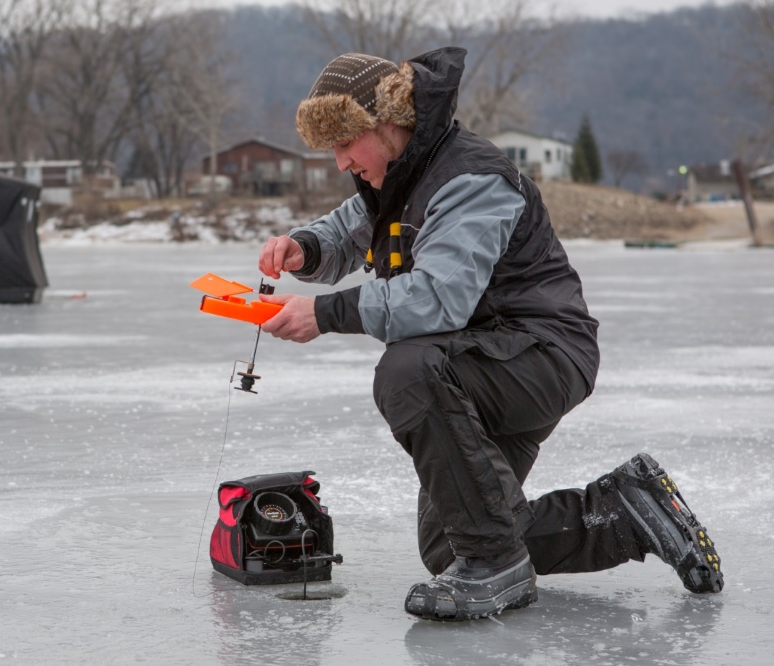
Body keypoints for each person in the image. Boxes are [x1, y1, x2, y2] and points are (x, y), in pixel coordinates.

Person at [255, 48, 723, 621]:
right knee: (451, 545)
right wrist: (302, 249)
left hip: (540, 355)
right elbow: (345, 233)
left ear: (385, 124)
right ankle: (624, 512)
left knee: (407, 370)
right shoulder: (398, 179)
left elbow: (436, 299)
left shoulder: (471, 177)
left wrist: (325, 314)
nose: (339, 161)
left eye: (345, 143)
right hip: (484, 361)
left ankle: (497, 565)